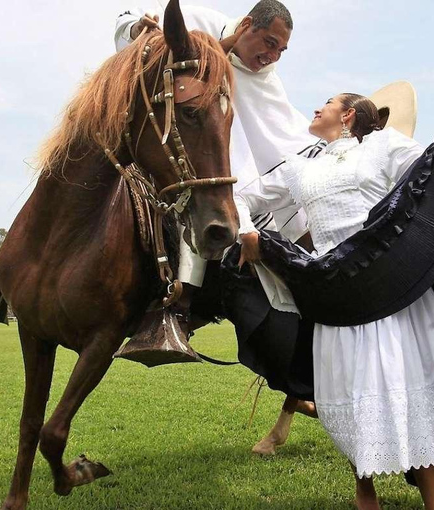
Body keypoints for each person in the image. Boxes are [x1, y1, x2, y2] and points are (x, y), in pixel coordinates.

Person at [234, 93, 434, 510]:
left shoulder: (382, 145)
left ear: (349, 115)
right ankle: (365, 489)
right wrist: (247, 234)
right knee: (353, 393)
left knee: (413, 394)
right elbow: (242, 198)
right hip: (335, 296)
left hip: (388, 288)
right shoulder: (300, 165)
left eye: (326, 102)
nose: (315, 108)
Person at [114, 1, 323, 330]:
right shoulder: (200, 22)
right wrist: (137, 29)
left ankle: (186, 305)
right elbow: (131, 20)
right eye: (269, 43)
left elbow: (280, 135)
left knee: (212, 193)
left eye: (281, 50)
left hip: (231, 169)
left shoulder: (267, 81)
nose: (273, 57)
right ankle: (175, 303)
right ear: (247, 24)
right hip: (185, 143)